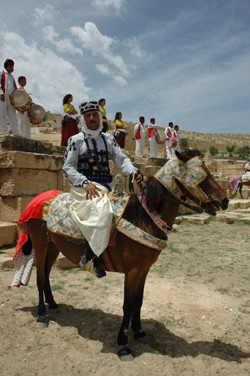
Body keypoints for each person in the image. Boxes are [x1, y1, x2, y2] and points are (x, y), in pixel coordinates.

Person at [63, 101, 143, 278]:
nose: (92, 118)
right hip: (84, 187)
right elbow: (68, 167)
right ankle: (88, 256)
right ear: (83, 119)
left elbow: (121, 159)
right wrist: (85, 183)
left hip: (105, 186)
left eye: (95, 115)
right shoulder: (75, 141)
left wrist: (133, 171)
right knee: (103, 212)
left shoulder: (108, 139)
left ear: (99, 117)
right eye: (88, 116)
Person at [0, 58, 20, 136]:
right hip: (3, 97)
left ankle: (16, 132)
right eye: (12, 67)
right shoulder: (1, 73)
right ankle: (5, 133)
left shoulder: (12, 77)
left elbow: (14, 88)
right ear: (9, 66)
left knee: (13, 115)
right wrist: (1, 94)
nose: (13, 69)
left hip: (11, 98)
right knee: (2, 115)